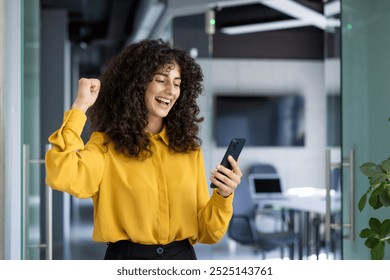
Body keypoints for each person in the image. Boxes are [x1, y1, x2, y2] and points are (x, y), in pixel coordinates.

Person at [45, 38, 242, 260]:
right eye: (161, 80)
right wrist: (80, 107)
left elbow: (208, 233)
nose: (170, 91)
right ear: (137, 85)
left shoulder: (189, 150)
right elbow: (61, 175)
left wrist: (223, 195)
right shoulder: (106, 145)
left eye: (177, 83)